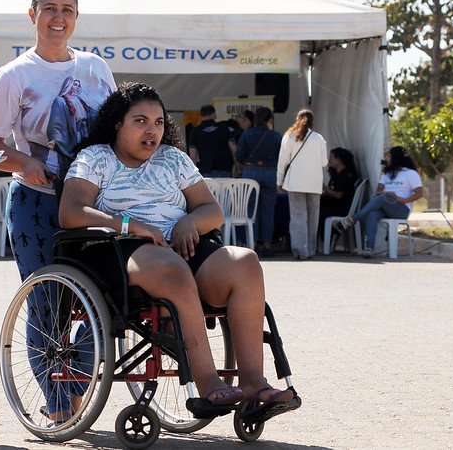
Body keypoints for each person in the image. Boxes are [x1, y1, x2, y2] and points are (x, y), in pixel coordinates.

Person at [60, 82, 296, 416]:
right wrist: (130, 225)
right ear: (118, 124)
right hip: (123, 250)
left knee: (245, 262)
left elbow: (212, 210)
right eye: (140, 121)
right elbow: (71, 212)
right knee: (172, 268)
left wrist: (190, 221)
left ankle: (254, 383)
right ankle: (209, 384)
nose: (152, 130)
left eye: (158, 122)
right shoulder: (96, 158)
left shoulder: (172, 158)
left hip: (182, 245)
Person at [0, 0, 116, 423]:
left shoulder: (95, 68)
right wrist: (25, 162)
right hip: (36, 203)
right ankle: (60, 407)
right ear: (33, 14)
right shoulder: (14, 75)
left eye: (67, 10)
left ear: (76, 17)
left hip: (94, 202)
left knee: (107, 297)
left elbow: (117, 130)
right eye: (50, 9)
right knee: (47, 304)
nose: (59, 18)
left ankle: (74, 383)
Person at [338, 146, 423, 257]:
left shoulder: (410, 173)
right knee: (373, 214)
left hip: (401, 208)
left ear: (395, 157)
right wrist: (384, 183)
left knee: (381, 199)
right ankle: (369, 248)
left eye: (388, 156)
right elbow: (379, 189)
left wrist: (402, 199)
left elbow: (419, 193)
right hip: (386, 204)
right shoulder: (387, 173)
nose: (386, 158)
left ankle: (353, 219)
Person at [276, 108, 327, 260]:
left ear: (297, 120)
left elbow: (282, 161)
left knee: (298, 217)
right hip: (314, 183)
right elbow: (324, 162)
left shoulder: (289, 136)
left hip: (295, 182)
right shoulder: (319, 138)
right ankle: (311, 250)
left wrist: (279, 181)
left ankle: (301, 250)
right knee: (313, 217)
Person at [235, 107, 282, 257]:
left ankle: (252, 244)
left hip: (250, 172)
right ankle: (267, 244)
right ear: (270, 120)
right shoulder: (276, 136)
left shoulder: (247, 134)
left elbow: (239, 156)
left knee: (251, 210)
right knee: (268, 210)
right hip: (270, 172)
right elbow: (281, 158)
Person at [188, 104, 235, 177]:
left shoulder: (195, 131)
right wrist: (238, 165)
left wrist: (193, 174)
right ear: (213, 114)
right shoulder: (224, 127)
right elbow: (233, 148)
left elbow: (193, 155)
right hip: (224, 167)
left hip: (205, 169)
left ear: (201, 115)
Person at [319, 147, 359, 231]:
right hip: (335, 204)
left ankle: (327, 236)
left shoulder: (345, 175)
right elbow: (332, 191)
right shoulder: (336, 174)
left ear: (339, 160)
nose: (329, 160)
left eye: (331, 158)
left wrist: (324, 187)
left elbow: (338, 195)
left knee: (317, 210)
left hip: (342, 208)